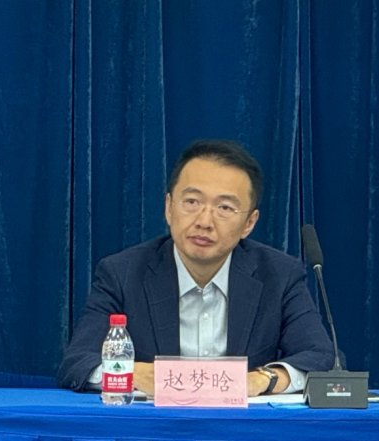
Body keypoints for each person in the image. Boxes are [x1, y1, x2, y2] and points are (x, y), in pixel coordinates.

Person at [57, 138, 333, 396]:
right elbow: (77, 363)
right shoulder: (122, 273)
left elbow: (322, 358)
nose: (204, 221)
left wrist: (263, 379)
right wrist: (133, 374)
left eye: (225, 208)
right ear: (168, 207)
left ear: (249, 223)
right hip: (155, 426)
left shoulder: (279, 275)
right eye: (191, 202)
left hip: (240, 427)